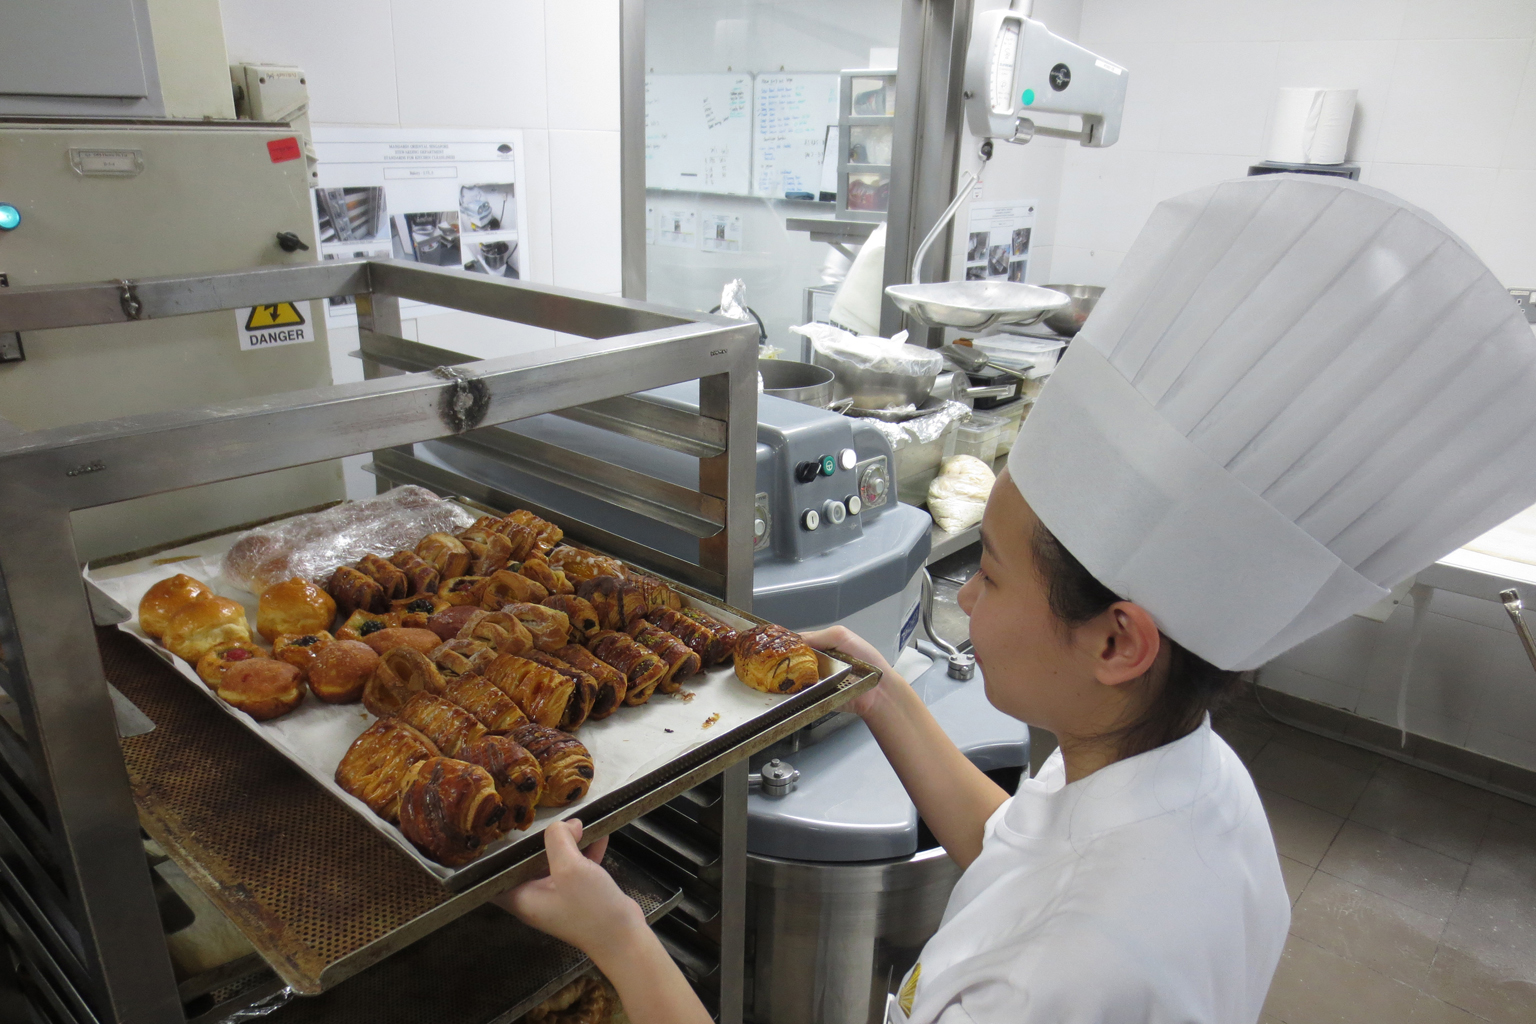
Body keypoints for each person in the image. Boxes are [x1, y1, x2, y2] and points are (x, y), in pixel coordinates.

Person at [499, 173, 1536, 1023]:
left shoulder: (1053, 986)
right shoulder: (1192, 782)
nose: (965, 607)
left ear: (1120, 642)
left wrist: (618, 931)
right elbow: (1020, 850)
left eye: (986, 575)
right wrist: (877, 689)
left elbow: (1043, 922)